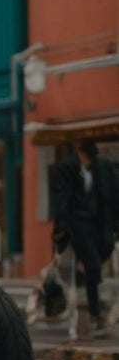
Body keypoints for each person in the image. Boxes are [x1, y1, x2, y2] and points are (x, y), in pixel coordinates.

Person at [52, 139, 118, 335]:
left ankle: (92, 291)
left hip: (100, 223)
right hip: (77, 223)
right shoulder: (68, 167)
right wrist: (60, 227)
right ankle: (94, 311)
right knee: (93, 265)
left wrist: (114, 224)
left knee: (102, 255)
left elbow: (113, 195)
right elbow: (62, 198)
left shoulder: (103, 168)